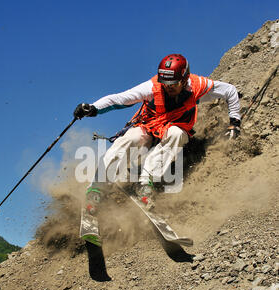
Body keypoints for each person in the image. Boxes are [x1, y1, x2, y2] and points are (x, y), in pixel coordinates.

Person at [73, 54, 241, 213]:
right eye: (165, 83)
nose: (168, 87)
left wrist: (234, 123)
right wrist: (93, 108)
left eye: (173, 84)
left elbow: (230, 91)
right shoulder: (152, 87)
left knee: (176, 134)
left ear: (184, 79)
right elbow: (119, 99)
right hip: (148, 128)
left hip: (172, 132)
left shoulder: (198, 85)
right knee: (129, 139)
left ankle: (145, 184)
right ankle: (96, 189)